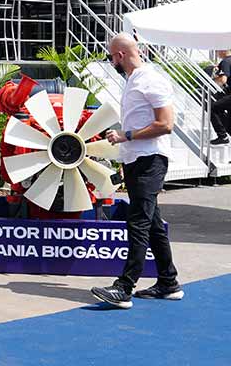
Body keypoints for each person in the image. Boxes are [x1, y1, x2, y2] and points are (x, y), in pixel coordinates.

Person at [91, 33, 183, 308]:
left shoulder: (151, 79)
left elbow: (166, 124)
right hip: (137, 160)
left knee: (139, 222)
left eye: (111, 57)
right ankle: (168, 282)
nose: (111, 62)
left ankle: (125, 286)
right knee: (152, 222)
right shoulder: (134, 80)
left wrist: (125, 136)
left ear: (119, 55)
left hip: (149, 160)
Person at [208, 53, 231, 145]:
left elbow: (223, 80)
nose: (216, 52)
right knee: (229, 125)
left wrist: (211, 82)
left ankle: (222, 135)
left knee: (213, 108)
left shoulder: (226, 61)